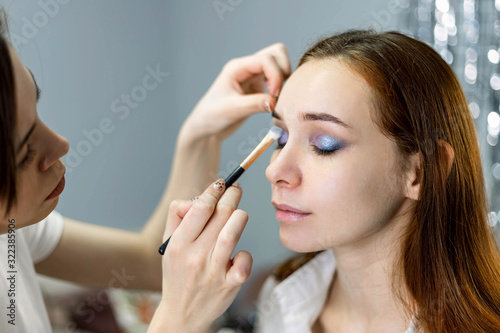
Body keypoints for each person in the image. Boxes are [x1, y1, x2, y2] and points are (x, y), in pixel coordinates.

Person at [148, 30, 500, 332]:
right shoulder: (282, 301)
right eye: (282, 138)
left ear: (424, 172)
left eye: (324, 145)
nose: (275, 171)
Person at [0, 8, 291, 332]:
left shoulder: (13, 230)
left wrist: (201, 135)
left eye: (36, 110)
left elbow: (152, 261)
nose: (61, 145)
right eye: (25, 152)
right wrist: (180, 317)